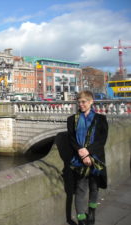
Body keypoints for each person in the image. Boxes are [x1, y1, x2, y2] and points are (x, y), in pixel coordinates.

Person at [67, 90, 108, 225]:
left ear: (91, 102)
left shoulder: (101, 119)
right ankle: (81, 219)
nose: (81, 104)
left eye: (83, 102)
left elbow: (101, 140)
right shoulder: (72, 119)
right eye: (79, 102)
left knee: (94, 187)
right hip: (79, 160)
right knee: (80, 189)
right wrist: (81, 152)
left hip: (95, 159)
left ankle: (91, 212)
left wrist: (88, 151)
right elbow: (72, 139)